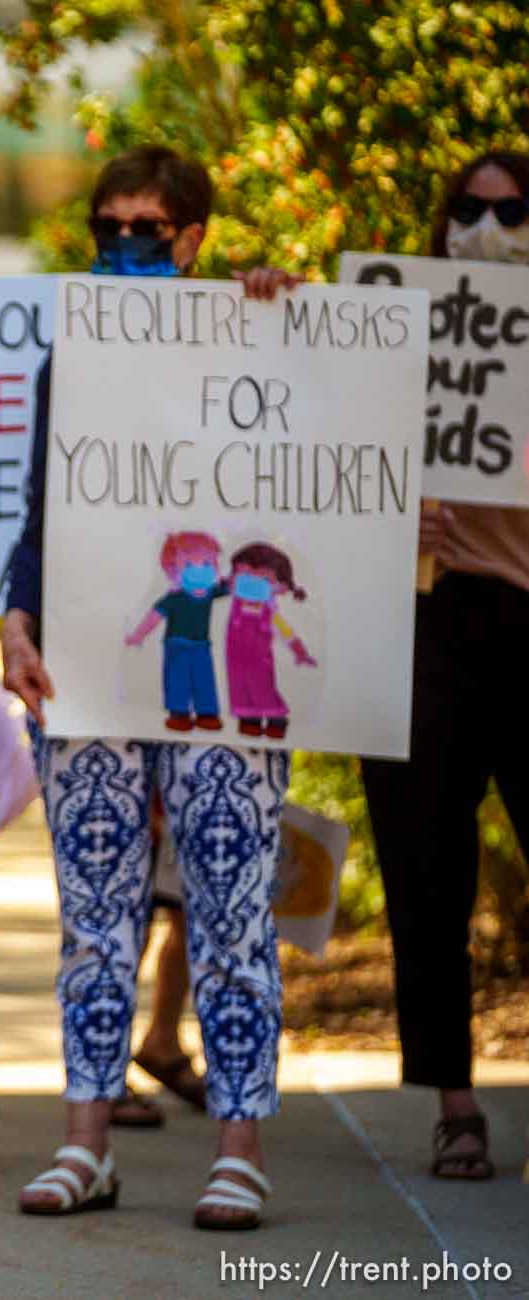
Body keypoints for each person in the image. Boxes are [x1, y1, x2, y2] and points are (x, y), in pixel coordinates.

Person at [1, 145, 302, 1230]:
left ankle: (241, 1147)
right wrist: (20, 618)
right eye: (108, 227)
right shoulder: (67, 359)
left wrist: (284, 322)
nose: (126, 245)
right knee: (94, 910)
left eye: (147, 227)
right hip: (89, 666)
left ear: (193, 238)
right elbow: (43, 509)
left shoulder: (259, 338)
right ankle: (85, 1141)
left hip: (232, 677)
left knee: (231, 904)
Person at [357, 148, 529, 1183]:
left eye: (510, 210)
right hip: (423, 622)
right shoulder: (394, 333)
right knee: (425, 871)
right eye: (467, 208)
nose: (486, 225)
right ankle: (456, 1103)